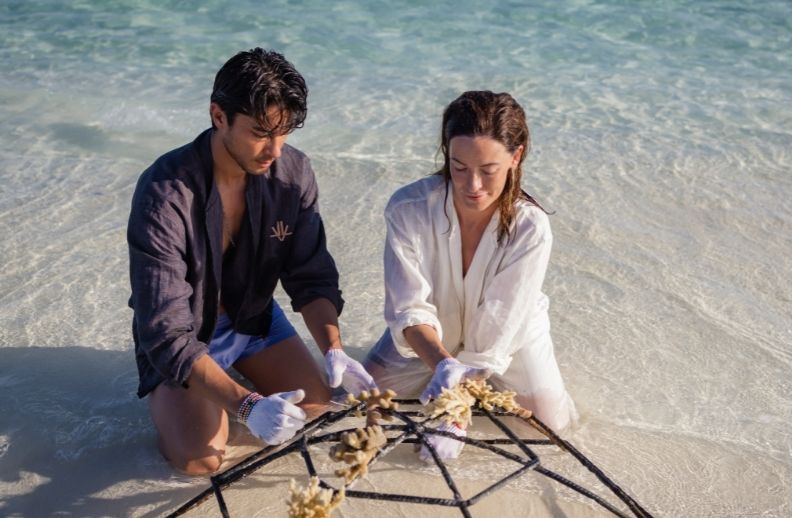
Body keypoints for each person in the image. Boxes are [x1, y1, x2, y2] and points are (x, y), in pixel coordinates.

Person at [127, 48, 375, 475]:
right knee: (200, 461)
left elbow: (311, 275)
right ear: (218, 116)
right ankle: (207, 393)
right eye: (260, 132)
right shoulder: (164, 193)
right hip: (188, 331)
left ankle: (232, 382)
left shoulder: (293, 173)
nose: (274, 150)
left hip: (254, 317)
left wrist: (333, 349)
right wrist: (247, 405)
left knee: (318, 409)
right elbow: (164, 331)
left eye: (284, 133)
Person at [364, 90, 578, 463]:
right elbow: (409, 308)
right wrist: (445, 365)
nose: (472, 185)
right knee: (354, 403)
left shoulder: (531, 228)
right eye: (459, 167)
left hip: (509, 340)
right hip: (429, 337)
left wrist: (456, 408)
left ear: (516, 157)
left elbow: (499, 324)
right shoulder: (407, 208)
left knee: (550, 426)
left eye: (488, 170)